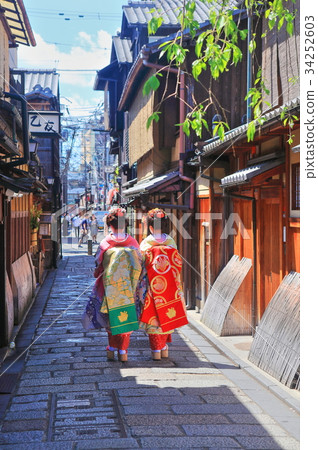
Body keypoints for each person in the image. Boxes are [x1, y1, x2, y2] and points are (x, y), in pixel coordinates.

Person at [82, 206, 141, 362]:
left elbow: (98, 262)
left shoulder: (106, 242)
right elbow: (140, 262)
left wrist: (100, 272)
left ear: (110, 225)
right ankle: (123, 350)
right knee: (126, 315)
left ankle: (113, 347)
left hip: (108, 286)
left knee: (110, 317)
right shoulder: (133, 242)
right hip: (128, 287)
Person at [137, 208, 188, 360]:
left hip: (151, 287)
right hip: (169, 287)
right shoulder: (171, 243)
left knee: (153, 315)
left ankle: (156, 350)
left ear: (151, 227)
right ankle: (164, 348)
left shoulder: (146, 244)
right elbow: (176, 264)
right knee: (167, 313)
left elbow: (141, 264)